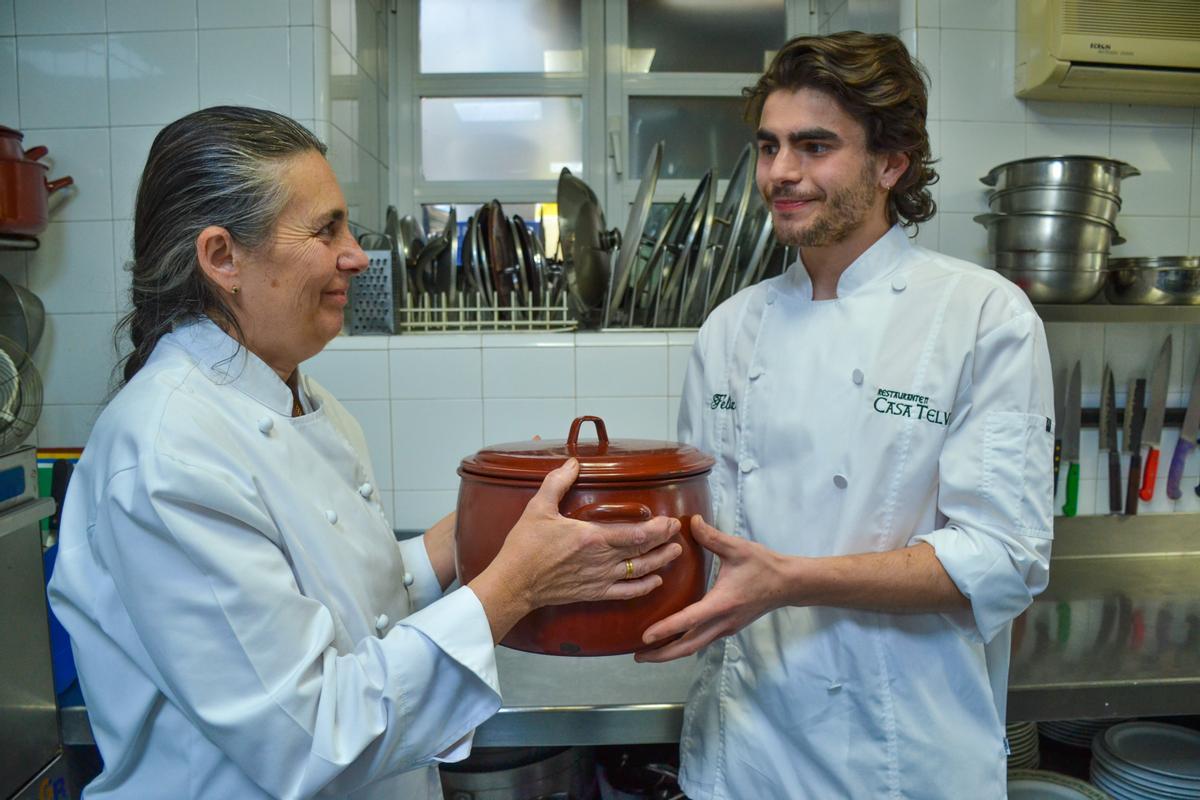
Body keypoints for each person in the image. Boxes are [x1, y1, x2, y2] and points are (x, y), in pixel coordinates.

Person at [47, 106, 682, 800]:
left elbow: (355, 608)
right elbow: (312, 737)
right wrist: (513, 586)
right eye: (326, 230)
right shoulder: (170, 452)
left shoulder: (306, 401)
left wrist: (480, 532)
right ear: (223, 258)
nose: (356, 254)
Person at [636, 32, 1054, 799]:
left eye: (814, 146)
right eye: (769, 147)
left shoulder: (982, 316)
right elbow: (703, 531)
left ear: (891, 163)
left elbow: (1004, 558)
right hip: (740, 754)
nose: (781, 174)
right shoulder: (729, 328)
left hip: (899, 757)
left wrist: (790, 580)